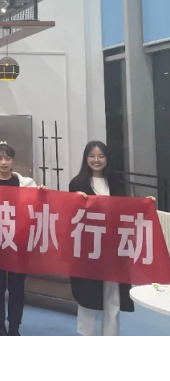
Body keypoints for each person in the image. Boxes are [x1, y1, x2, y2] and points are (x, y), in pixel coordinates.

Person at [68, 141, 141, 336]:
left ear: (107, 158)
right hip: (88, 250)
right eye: (92, 156)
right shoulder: (78, 184)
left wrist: (145, 205)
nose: (96, 160)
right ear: (86, 159)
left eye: (101, 156)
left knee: (112, 297)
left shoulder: (116, 183)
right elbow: (70, 215)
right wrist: (75, 200)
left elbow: (127, 210)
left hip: (113, 248)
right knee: (87, 297)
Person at [0, 143, 44, 336]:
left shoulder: (27, 184)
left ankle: (14, 326)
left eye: (7, 158)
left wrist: (42, 194)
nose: (4, 162)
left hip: (18, 243)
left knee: (17, 287)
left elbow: (37, 207)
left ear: (13, 161)